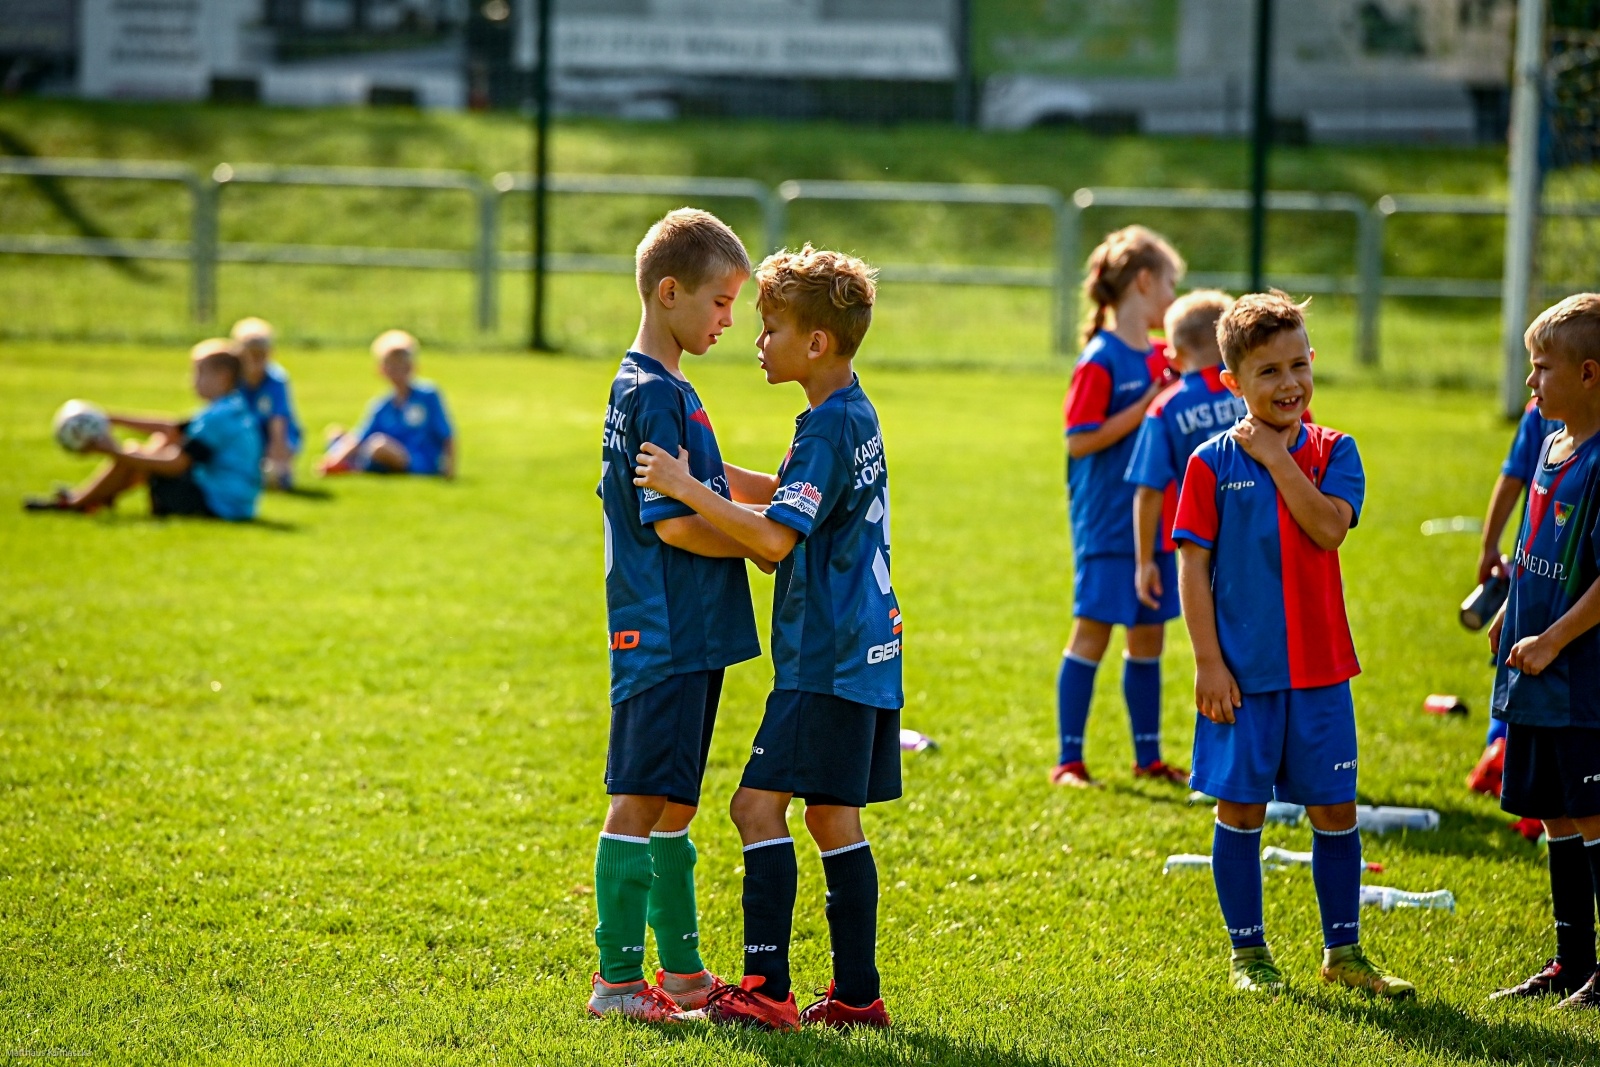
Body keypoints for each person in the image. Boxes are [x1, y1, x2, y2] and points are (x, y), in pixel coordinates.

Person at [634, 244, 899, 1031]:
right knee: (832, 819)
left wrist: (685, 487)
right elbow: (790, 497)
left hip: (825, 659)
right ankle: (858, 997)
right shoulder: (850, 411)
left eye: (770, 328)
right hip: (869, 650)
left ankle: (767, 989)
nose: (757, 341)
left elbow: (776, 539)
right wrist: (709, 473)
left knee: (754, 808)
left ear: (815, 342)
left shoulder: (825, 430)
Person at [1172, 291, 1413, 998]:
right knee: (1240, 810)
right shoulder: (1209, 463)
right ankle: (1249, 955)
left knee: (1335, 810)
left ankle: (1344, 951)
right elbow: (1192, 568)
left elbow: (1330, 529)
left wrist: (1278, 459)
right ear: (1232, 382)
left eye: (1299, 365)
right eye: (1269, 371)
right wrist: (1208, 663)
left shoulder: (1336, 450)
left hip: (1321, 672)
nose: (1289, 384)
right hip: (1242, 678)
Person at [588, 209, 768, 1022]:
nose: (730, 319)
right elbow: (675, 522)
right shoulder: (653, 391)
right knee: (639, 797)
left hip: (694, 628)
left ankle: (686, 973)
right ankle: (618, 982)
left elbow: (711, 477)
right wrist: (763, 544)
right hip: (662, 626)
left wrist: (796, 491)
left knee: (678, 801)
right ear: (669, 293)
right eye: (721, 302)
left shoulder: (663, 384)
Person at [1485, 293, 1600, 1008]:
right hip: (1534, 675)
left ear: (1589, 374)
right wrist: (1510, 610)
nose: (1531, 382)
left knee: (1593, 815)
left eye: (1542, 368)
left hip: (1580, 678)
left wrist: (1554, 637)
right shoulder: (1551, 444)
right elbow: (1535, 551)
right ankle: (1572, 960)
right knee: (1555, 812)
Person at [1054, 225, 1186, 788]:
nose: (1175, 298)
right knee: (1093, 633)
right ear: (1145, 282)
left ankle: (1148, 758)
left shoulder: (1164, 357)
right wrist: (1148, 406)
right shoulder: (1101, 359)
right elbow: (1079, 440)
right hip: (1108, 523)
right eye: (1172, 285)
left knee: (1149, 635)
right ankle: (1069, 761)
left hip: (1156, 522)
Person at [24, 340, 261, 521]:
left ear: (223, 377)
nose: (192, 380)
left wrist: (114, 452)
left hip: (217, 507)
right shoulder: (230, 408)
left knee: (141, 453)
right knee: (154, 445)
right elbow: (171, 428)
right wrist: (110, 418)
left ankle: (78, 503)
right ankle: (87, 500)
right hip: (235, 505)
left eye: (199, 372)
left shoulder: (218, 417)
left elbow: (177, 464)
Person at [1467, 396, 1563, 803]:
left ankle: (1503, 754)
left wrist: (1490, 546)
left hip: (1543, 576)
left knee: (1519, 662)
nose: (1532, 381)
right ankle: (1503, 757)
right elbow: (1513, 477)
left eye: (1541, 368)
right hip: (1545, 573)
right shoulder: (1541, 408)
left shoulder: (1542, 409)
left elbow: (1511, 478)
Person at [1126, 289, 1241, 629]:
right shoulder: (1258, 390)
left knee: (1215, 631)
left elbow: (1149, 489)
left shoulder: (1166, 407)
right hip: (1268, 526)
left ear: (1174, 357)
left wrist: (1144, 561)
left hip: (1201, 539)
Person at [320, 330, 456, 478]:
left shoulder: (428, 396)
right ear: (382, 370)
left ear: (411, 366)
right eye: (392, 365)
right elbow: (361, 436)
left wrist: (450, 468)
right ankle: (347, 464)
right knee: (336, 434)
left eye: (401, 364)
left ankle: (351, 465)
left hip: (418, 461)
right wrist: (333, 460)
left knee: (379, 446)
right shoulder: (382, 404)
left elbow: (447, 434)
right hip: (377, 452)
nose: (397, 371)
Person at [231, 317, 303, 490]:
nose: (256, 361)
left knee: (276, 471)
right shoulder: (231, 379)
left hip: (270, 436)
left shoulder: (276, 381)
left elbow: (278, 422)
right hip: (242, 435)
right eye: (251, 354)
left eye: (261, 355)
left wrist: (278, 461)